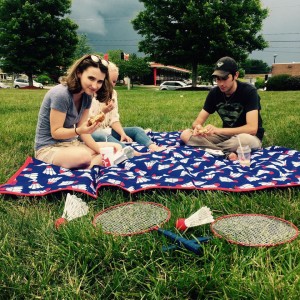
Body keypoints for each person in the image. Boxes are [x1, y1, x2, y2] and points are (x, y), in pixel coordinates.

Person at [34, 54, 122, 169]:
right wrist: (79, 131)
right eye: (91, 78)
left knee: (115, 148)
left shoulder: (87, 96)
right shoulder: (61, 94)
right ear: (79, 73)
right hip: (49, 148)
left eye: (100, 81)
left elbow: (83, 130)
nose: (95, 86)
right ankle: (90, 166)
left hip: (72, 145)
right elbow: (56, 132)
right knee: (83, 157)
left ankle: (88, 166)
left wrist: (99, 149)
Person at [180, 56, 264, 160]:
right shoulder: (214, 93)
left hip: (248, 137)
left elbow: (252, 129)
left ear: (236, 75)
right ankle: (225, 154)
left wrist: (217, 130)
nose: (221, 83)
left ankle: (210, 149)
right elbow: (197, 122)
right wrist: (199, 128)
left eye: (225, 78)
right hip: (226, 137)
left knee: (243, 141)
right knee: (185, 134)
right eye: (218, 79)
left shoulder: (249, 91)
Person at [89, 62, 165, 153]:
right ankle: (130, 152)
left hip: (108, 130)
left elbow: (114, 119)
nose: (113, 85)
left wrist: (122, 134)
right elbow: (87, 124)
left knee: (137, 130)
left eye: (115, 81)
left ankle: (153, 146)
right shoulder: (90, 94)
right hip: (92, 133)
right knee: (102, 135)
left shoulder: (113, 94)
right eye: (111, 81)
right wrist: (103, 112)